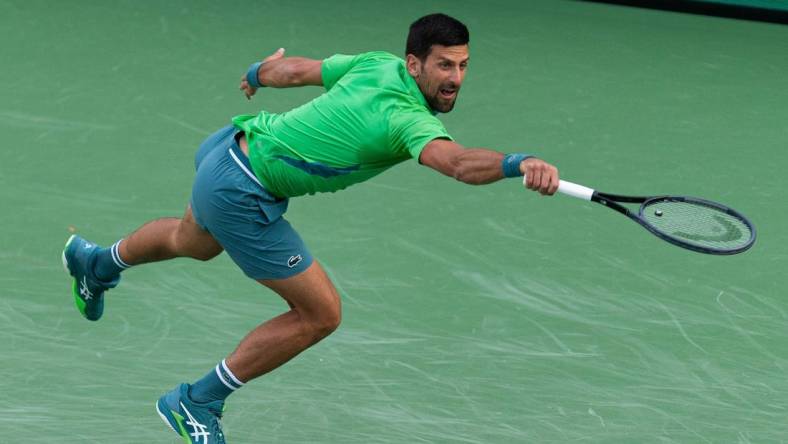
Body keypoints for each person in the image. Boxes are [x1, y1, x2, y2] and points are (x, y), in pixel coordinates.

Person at [61, 13, 559, 444]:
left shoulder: (375, 63)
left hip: (231, 147)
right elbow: (457, 163)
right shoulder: (408, 119)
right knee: (320, 313)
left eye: (463, 65)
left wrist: (259, 71)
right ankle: (197, 401)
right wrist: (519, 162)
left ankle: (95, 262)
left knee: (190, 241)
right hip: (243, 191)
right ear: (414, 64)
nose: (456, 78)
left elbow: (299, 70)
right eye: (445, 66)